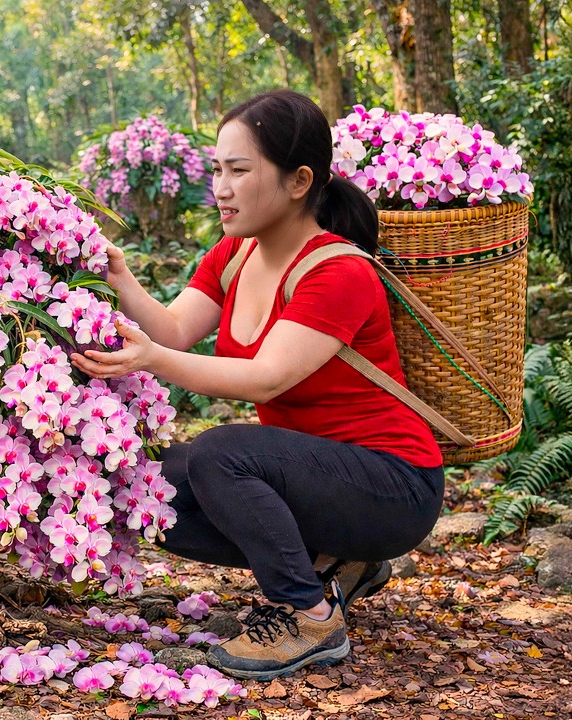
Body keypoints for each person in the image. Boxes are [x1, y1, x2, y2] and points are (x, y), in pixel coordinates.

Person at [70, 89, 446, 681]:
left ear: (299, 181)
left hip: (392, 486)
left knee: (220, 455)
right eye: (217, 169)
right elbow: (172, 327)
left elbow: (265, 380)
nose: (220, 186)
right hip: (313, 478)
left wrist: (151, 361)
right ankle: (337, 561)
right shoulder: (233, 256)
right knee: (148, 486)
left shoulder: (339, 271)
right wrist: (119, 278)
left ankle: (310, 617)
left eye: (239, 170)